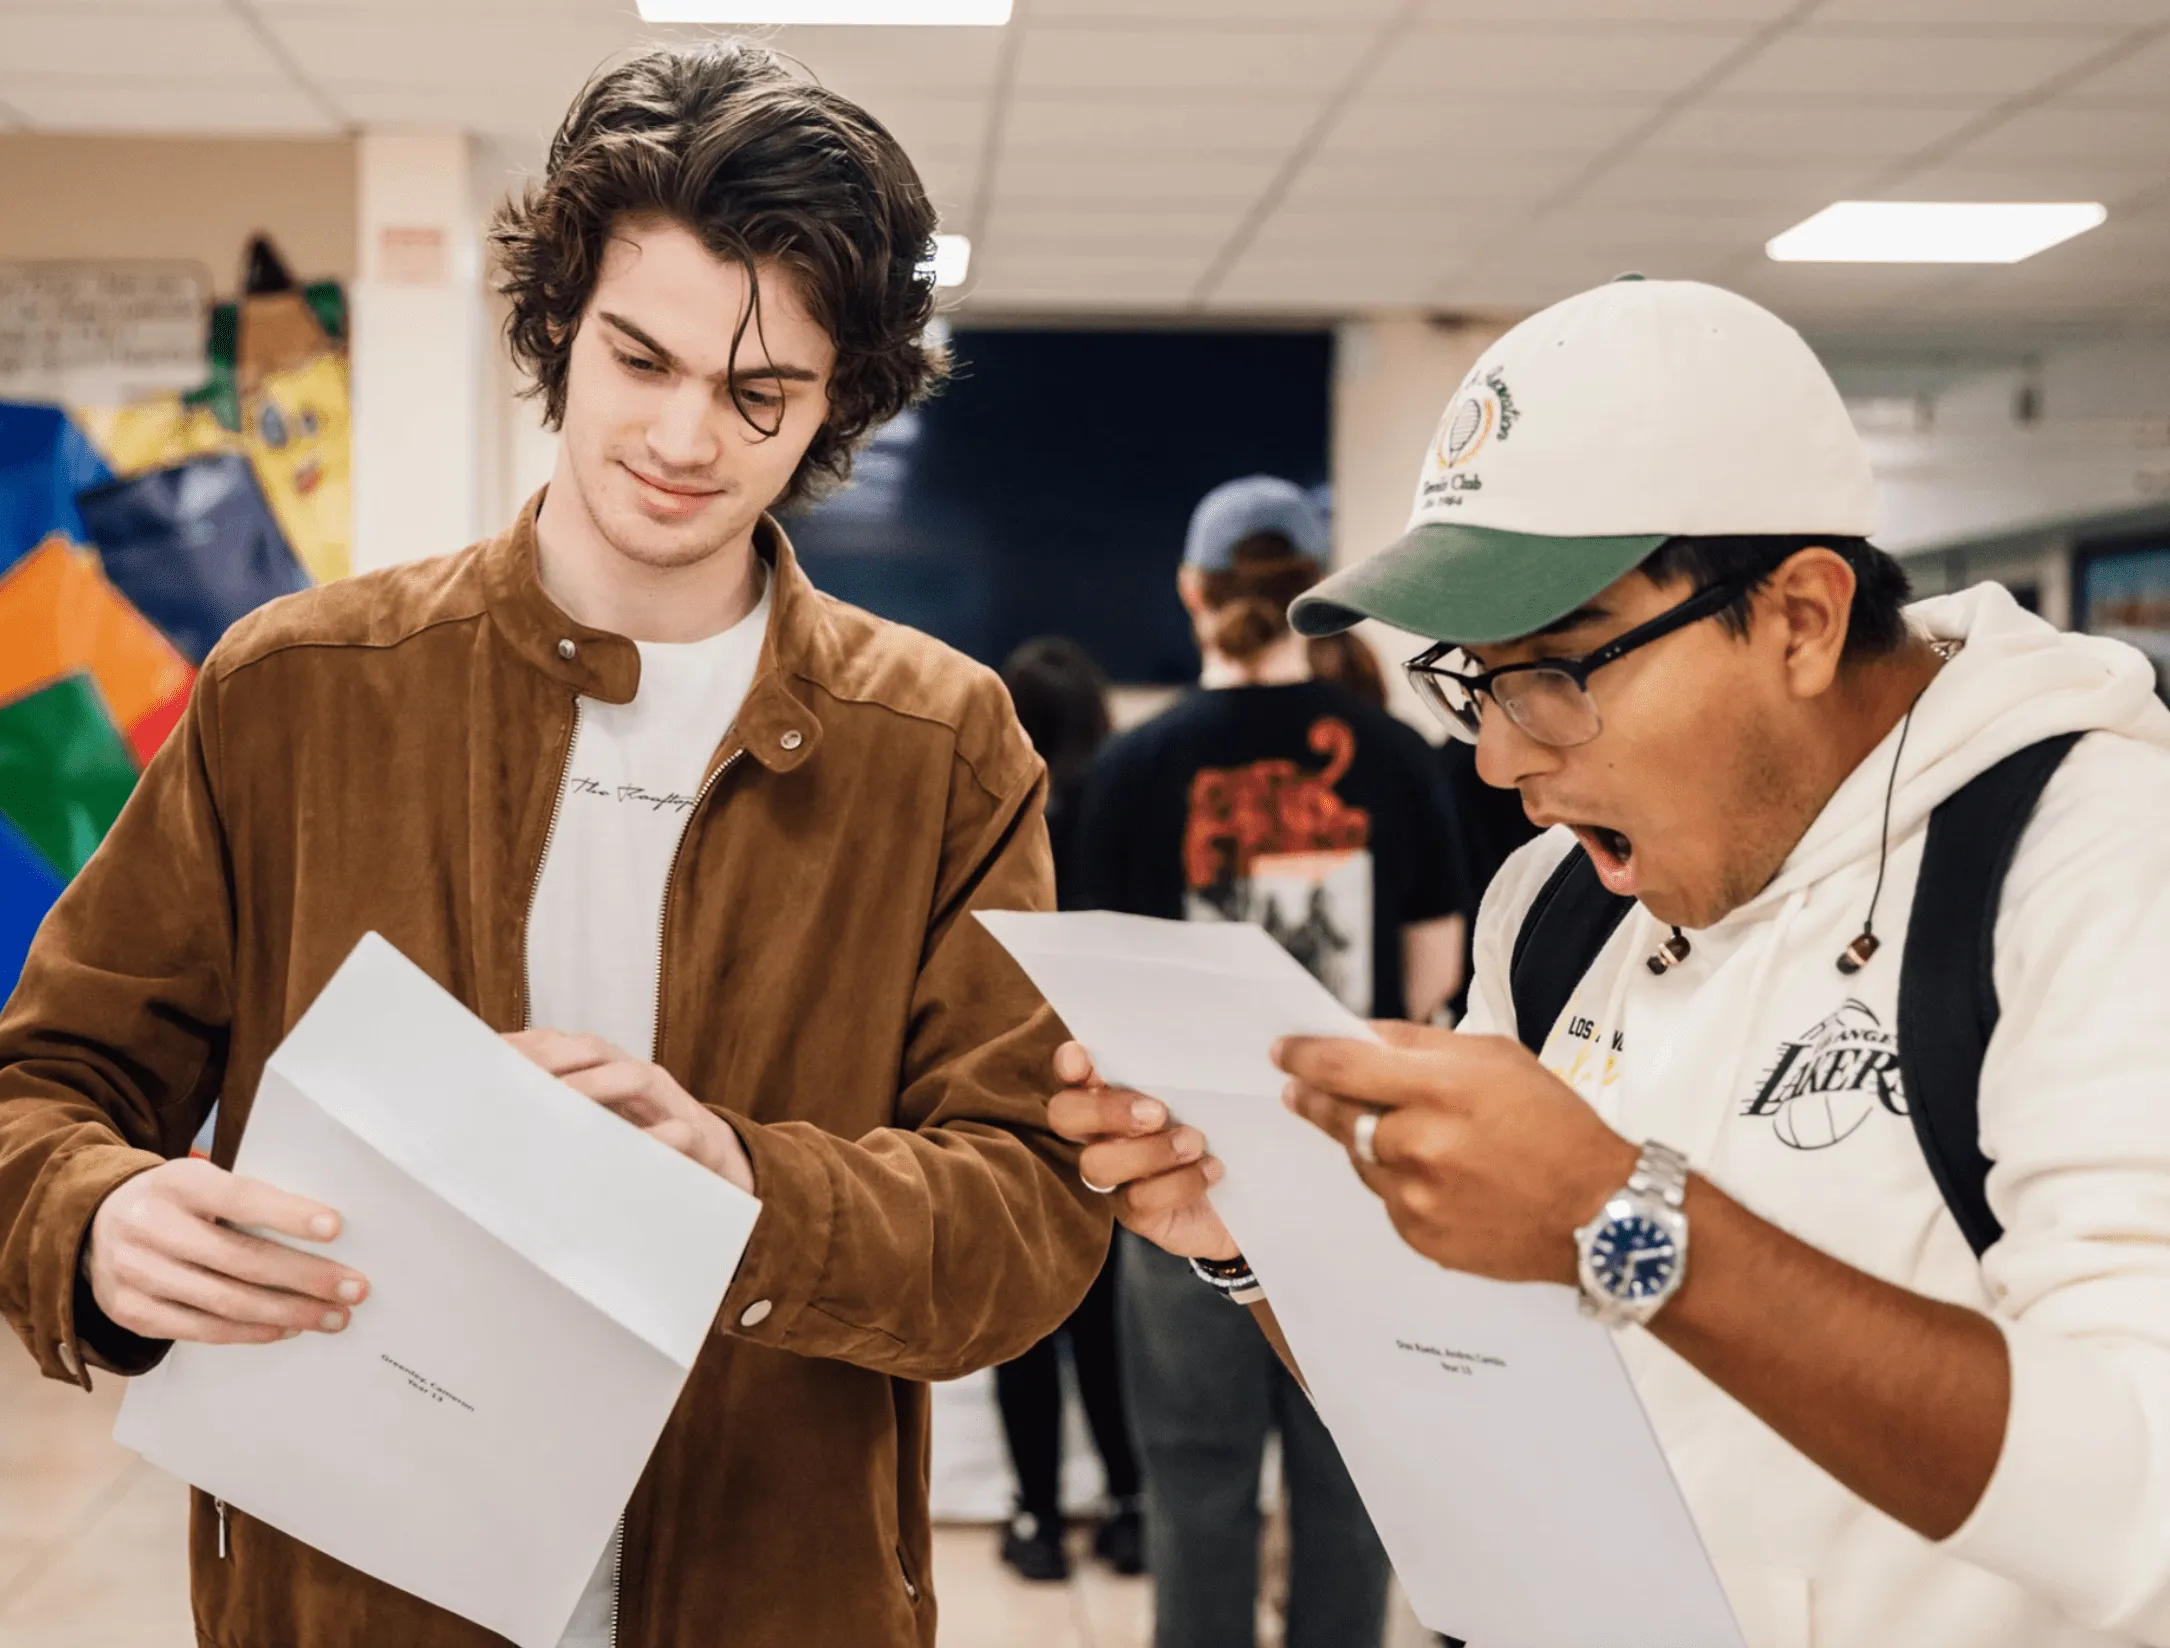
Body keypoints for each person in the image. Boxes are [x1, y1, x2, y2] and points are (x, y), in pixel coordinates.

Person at [0, 43, 1108, 1648]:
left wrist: (745, 1185)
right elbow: (42, 1089)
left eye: (758, 394)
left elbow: (1028, 1216)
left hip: (772, 1589)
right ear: (556, 332)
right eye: (638, 359)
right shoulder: (299, 691)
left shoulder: (940, 747)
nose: (682, 437)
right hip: (353, 1591)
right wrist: (92, 1221)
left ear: (832, 409)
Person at [1050, 277, 2170, 1648]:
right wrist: (1257, 1246)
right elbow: (1471, 1400)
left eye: (1560, 670)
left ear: (1800, 620)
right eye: (1475, 679)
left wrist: (1621, 1220)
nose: (1503, 759)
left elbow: (2140, 1505)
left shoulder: (2095, 869)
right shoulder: (1555, 910)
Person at [1069, 475, 1469, 1648]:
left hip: (1184, 1180)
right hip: (1361, 1178)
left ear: (1193, 594)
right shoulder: (1398, 759)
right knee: (1350, 1483)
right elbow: (1433, 977)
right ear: (1322, 603)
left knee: (1196, 1484)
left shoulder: (1137, 769)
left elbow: (1100, 995)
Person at [990, 637, 1144, 1582]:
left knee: (1024, 1324)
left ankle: (1037, 1517)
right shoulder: (1127, 799)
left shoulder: (1001, 811)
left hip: (1014, 1089)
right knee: (1106, 1318)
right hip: (1117, 1088)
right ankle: (1128, 1505)